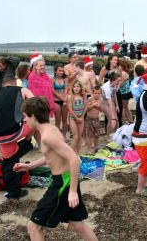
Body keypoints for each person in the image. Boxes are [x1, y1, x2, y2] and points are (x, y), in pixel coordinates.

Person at [13, 97, 97, 241]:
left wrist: (72, 192)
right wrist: (29, 166)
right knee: (76, 225)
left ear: (33, 116)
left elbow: (74, 159)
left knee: (34, 227)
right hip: (66, 180)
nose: (25, 119)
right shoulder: (51, 128)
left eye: (26, 116)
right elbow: (52, 156)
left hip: (62, 184)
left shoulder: (47, 136)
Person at [0, 74, 35, 199]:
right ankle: (29, 143)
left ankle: (13, 189)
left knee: (9, 160)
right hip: (14, 133)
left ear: (3, 84)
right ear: (15, 83)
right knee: (35, 120)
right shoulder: (21, 89)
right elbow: (35, 102)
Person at [99, 55, 123, 126]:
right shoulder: (105, 69)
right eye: (115, 60)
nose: (116, 61)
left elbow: (121, 79)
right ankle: (109, 127)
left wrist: (118, 86)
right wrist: (105, 86)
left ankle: (119, 127)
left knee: (119, 108)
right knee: (109, 109)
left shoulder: (119, 68)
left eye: (117, 60)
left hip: (116, 91)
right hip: (107, 91)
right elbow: (99, 80)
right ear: (110, 60)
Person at [101, 72, 121, 141]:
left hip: (109, 100)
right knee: (110, 119)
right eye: (118, 81)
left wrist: (117, 105)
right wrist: (113, 118)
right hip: (103, 102)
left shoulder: (115, 84)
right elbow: (109, 103)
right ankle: (108, 137)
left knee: (117, 120)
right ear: (112, 80)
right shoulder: (107, 88)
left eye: (119, 80)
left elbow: (114, 94)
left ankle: (117, 135)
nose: (119, 82)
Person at [68, 81, 86, 155]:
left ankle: (78, 153)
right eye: (74, 86)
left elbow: (85, 107)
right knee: (75, 137)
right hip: (73, 118)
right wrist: (76, 118)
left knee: (79, 137)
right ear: (72, 88)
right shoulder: (70, 97)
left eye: (78, 86)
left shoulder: (83, 96)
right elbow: (70, 109)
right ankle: (71, 154)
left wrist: (82, 117)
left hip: (81, 118)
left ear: (81, 87)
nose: (76, 88)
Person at [52, 64, 68, 138]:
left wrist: (65, 99)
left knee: (65, 120)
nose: (61, 72)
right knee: (57, 121)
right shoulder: (52, 79)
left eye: (62, 71)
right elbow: (52, 91)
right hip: (56, 101)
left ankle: (64, 136)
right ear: (55, 71)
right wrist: (62, 99)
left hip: (65, 101)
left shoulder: (65, 79)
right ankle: (58, 137)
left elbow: (66, 89)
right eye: (59, 70)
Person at [85, 86, 102, 154]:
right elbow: (87, 108)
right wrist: (92, 105)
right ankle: (88, 149)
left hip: (96, 119)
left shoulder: (100, 100)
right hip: (89, 119)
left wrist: (99, 107)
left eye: (98, 93)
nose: (97, 95)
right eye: (95, 93)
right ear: (92, 93)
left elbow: (101, 110)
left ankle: (95, 147)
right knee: (89, 135)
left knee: (97, 135)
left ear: (100, 93)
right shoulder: (90, 99)